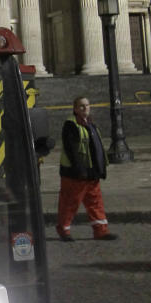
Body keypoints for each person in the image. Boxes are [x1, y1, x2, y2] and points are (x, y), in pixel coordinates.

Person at [56, 96, 118, 242]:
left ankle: (101, 231)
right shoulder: (71, 125)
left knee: (95, 202)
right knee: (70, 203)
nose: (85, 108)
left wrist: (100, 168)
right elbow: (71, 149)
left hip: (91, 172)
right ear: (75, 109)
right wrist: (79, 170)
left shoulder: (90, 124)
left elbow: (96, 148)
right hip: (75, 174)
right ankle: (64, 230)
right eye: (81, 106)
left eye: (87, 105)